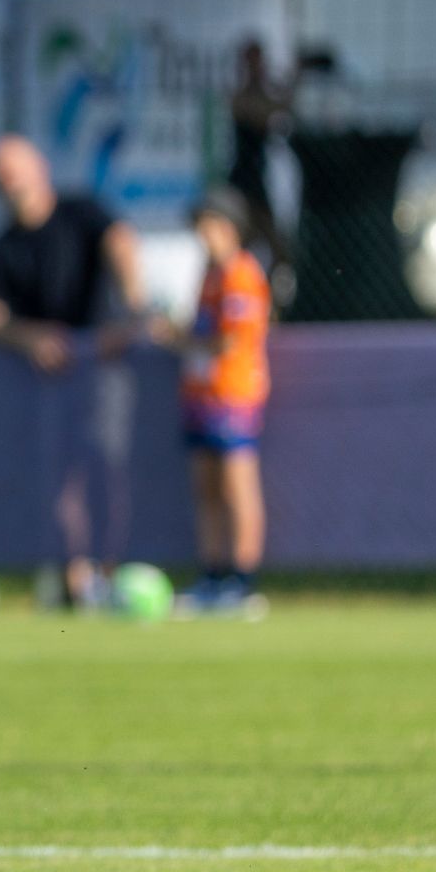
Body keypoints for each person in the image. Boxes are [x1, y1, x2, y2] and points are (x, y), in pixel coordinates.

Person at [0, 134, 149, 610]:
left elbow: (121, 244)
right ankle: (75, 581)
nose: (9, 180)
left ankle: (111, 574)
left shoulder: (82, 213)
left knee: (107, 467)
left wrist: (130, 313)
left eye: (16, 168)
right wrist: (30, 338)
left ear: (40, 167)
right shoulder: (2, 247)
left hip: (103, 363)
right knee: (59, 479)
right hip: (49, 379)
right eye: (0, 173)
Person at [155, 190, 271, 618]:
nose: (204, 236)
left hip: (233, 395)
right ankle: (213, 574)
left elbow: (230, 340)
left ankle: (243, 581)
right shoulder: (210, 276)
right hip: (200, 396)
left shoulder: (242, 274)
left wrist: (179, 339)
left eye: (211, 226)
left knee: (237, 485)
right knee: (205, 486)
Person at [227, 37, 294, 270]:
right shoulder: (241, 97)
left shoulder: (260, 92)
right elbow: (262, 113)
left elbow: (282, 109)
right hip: (243, 181)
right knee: (239, 241)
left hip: (257, 178)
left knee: (272, 244)